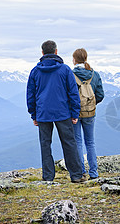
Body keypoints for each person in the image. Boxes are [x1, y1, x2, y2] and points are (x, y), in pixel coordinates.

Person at [26, 40, 85, 183]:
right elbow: (73, 93)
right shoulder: (64, 70)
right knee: (69, 143)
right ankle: (76, 175)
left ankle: (48, 177)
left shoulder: (35, 71)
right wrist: (75, 112)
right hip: (63, 112)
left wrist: (33, 114)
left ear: (42, 53)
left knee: (45, 145)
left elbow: (31, 95)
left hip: (43, 113)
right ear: (56, 51)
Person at [72, 48, 104, 179]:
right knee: (90, 142)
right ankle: (94, 172)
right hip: (90, 113)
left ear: (74, 60)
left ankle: (81, 173)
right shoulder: (94, 74)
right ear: (86, 58)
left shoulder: (70, 74)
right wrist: (91, 104)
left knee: (77, 142)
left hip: (75, 113)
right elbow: (100, 95)